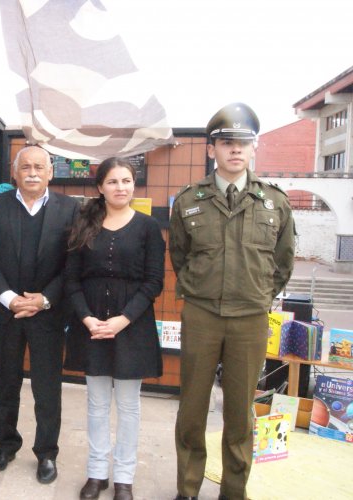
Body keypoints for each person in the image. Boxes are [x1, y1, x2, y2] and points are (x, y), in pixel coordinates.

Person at [169, 103, 295, 500]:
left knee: (240, 412)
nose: (235, 150)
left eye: (243, 142)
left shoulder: (274, 201)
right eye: (226, 142)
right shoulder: (189, 200)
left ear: (253, 148)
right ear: (212, 149)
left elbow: (283, 262)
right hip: (202, 313)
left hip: (250, 319)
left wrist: (258, 295)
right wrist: (200, 288)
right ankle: (188, 489)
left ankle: (234, 491)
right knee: (192, 408)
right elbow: (179, 255)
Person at [0, 145, 79, 484]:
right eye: (26, 167)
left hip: (47, 314)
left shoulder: (69, 208)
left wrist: (44, 299)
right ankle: (6, 444)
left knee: (47, 388)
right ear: (15, 172)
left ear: (51, 172)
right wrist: (8, 298)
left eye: (39, 167)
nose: (33, 172)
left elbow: (73, 264)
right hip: (8, 312)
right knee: (6, 382)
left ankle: (47, 452)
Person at [64, 158, 165, 500]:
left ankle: (123, 477)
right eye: (112, 181)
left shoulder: (149, 227)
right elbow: (71, 278)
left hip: (131, 326)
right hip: (90, 324)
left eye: (126, 181)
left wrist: (123, 319)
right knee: (95, 404)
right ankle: (96, 473)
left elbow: (154, 282)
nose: (120, 187)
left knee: (128, 405)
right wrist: (86, 318)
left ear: (134, 185)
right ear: (100, 187)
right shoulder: (84, 224)